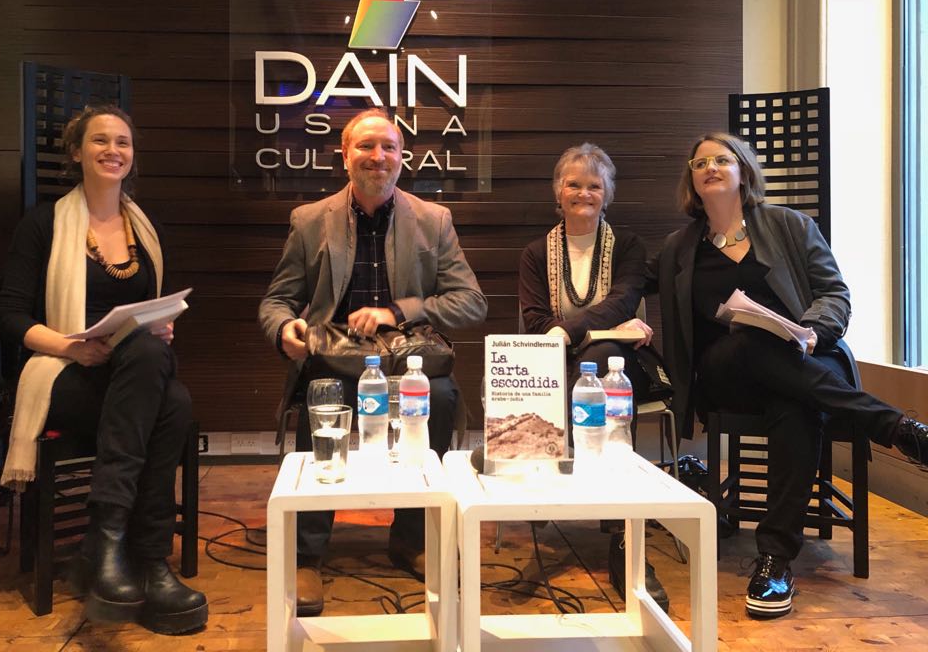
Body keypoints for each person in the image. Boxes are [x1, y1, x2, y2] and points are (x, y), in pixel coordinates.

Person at [650, 131, 928, 619]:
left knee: (795, 405)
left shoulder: (790, 225)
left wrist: (814, 331)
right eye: (700, 163)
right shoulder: (679, 247)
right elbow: (627, 283)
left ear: (743, 171)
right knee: (749, 339)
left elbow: (834, 293)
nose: (710, 168)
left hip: (802, 361)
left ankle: (775, 561)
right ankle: (895, 428)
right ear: (691, 181)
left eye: (721, 159)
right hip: (727, 373)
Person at [258, 107, 488, 617]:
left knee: (440, 397)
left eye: (388, 147)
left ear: (402, 157)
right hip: (334, 359)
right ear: (344, 156)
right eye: (365, 146)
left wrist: (398, 311)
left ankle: (411, 538)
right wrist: (284, 329)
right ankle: (306, 554)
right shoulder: (309, 220)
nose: (377, 156)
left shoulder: (433, 220)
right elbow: (277, 301)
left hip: (408, 360)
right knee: (323, 396)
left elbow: (471, 302)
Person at [0, 104, 208, 634]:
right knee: (173, 402)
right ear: (76, 152)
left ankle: (117, 543)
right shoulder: (43, 224)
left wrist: (162, 326)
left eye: (123, 142)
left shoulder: (145, 228)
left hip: (132, 375)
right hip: (65, 374)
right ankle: (142, 555)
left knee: (164, 382)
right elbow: (10, 316)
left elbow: (155, 306)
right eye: (100, 141)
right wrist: (72, 347)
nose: (113, 150)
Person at [518, 142, 668, 611]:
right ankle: (617, 520)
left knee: (602, 362)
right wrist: (600, 330)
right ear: (558, 193)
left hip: (620, 368)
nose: (584, 193)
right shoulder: (534, 253)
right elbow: (535, 323)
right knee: (597, 357)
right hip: (556, 367)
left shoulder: (628, 246)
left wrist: (571, 331)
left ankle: (622, 536)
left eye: (594, 186)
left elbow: (622, 301)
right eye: (574, 184)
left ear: (608, 194)